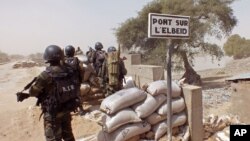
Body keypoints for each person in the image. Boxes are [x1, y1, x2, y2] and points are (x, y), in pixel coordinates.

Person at [16, 45, 78, 141]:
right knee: (68, 137)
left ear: (47, 57)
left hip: (52, 114)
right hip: (66, 110)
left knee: (53, 138)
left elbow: (33, 92)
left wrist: (28, 94)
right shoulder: (69, 71)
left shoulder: (45, 75)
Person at [64, 45, 85, 116]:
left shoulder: (63, 61)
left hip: (66, 82)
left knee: (66, 96)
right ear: (73, 52)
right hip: (76, 81)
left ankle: (67, 111)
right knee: (77, 95)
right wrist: (80, 79)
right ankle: (81, 110)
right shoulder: (77, 60)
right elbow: (81, 70)